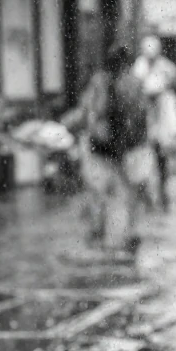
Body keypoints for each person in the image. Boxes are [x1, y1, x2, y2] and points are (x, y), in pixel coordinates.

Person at [62, 45, 152, 259]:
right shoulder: (134, 83)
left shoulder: (99, 82)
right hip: (128, 147)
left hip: (104, 147)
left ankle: (101, 234)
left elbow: (87, 112)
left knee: (102, 192)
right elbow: (142, 115)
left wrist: (65, 124)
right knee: (130, 193)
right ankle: (129, 234)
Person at [133, 35, 176, 211]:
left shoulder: (165, 66)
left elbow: (174, 79)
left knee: (161, 153)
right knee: (145, 154)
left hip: (161, 114)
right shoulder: (139, 66)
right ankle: (146, 194)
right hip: (146, 113)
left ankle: (162, 188)